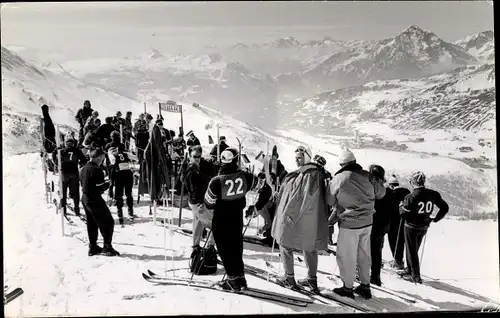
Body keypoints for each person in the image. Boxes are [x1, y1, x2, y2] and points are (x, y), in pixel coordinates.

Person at [328, 148, 386, 299]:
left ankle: (347, 288)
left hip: (350, 223)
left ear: (342, 163)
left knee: (347, 256)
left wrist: (339, 206)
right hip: (367, 222)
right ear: (354, 161)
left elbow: (329, 200)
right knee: (364, 255)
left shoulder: (339, 179)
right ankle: (365, 286)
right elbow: (381, 193)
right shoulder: (368, 176)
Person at [272, 145, 330, 292]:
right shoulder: (314, 173)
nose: (297, 161)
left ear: (307, 158)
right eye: (296, 158)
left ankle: (289, 278)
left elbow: (299, 198)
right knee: (309, 247)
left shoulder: (308, 175)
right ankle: (311, 279)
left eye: (300, 158)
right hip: (311, 218)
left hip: (297, 217)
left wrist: (288, 215)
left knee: (285, 243)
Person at [204, 147, 255, 291]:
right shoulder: (246, 176)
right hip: (237, 217)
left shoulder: (216, 181)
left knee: (225, 250)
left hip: (221, 219)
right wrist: (255, 207)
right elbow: (264, 188)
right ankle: (240, 279)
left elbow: (208, 202)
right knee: (236, 248)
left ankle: (232, 280)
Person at [399, 171, 449, 284]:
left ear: (413, 182)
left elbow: (403, 214)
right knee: (414, 248)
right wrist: (435, 219)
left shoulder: (410, 197)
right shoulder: (433, 194)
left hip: (411, 226)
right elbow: (445, 207)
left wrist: (401, 206)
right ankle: (410, 269)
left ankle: (415, 276)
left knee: (411, 250)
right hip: (424, 226)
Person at [79, 147, 120, 257]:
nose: (103, 160)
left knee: (92, 223)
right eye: (102, 157)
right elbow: (99, 187)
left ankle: (93, 247)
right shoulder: (97, 170)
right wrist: (108, 184)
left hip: (85, 198)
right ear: (100, 157)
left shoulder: (83, 168)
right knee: (108, 222)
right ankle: (107, 247)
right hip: (94, 199)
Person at [185, 147, 215, 250]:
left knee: (198, 221)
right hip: (198, 202)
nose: (197, 158)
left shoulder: (197, 168)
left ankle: (196, 245)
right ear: (190, 157)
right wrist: (199, 202)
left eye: (198, 156)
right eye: (194, 156)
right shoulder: (191, 171)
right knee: (214, 223)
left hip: (195, 201)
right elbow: (193, 188)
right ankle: (210, 246)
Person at [53, 137, 87, 217]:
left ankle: (63, 209)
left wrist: (55, 152)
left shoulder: (62, 151)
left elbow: (55, 161)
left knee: (63, 192)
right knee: (75, 193)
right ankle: (76, 209)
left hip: (64, 174)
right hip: (74, 174)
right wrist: (80, 164)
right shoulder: (77, 150)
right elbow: (84, 160)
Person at [368, 165, 390, 286]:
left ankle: (362, 274)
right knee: (377, 251)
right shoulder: (387, 191)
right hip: (383, 226)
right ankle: (375, 277)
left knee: (364, 249)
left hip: (371, 223)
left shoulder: (371, 189)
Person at [386, 175, 411, 270]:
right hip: (404, 220)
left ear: (391, 185)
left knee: (393, 240)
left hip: (393, 221)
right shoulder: (406, 192)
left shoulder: (391, 193)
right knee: (401, 241)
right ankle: (400, 260)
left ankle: (398, 261)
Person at [245, 172, 275, 247]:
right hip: (264, 207)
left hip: (267, 206)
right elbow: (260, 202)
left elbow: (262, 201)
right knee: (269, 222)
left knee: (269, 222)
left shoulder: (267, 187)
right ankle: (265, 234)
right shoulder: (265, 187)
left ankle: (267, 235)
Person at [109, 143, 135, 225]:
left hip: (119, 174)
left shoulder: (114, 155)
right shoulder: (127, 154)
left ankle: (120, 212)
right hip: (128, 173)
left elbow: (112, 162)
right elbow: (136, 158)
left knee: (119, 194)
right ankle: (130, 211)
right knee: (128, 193)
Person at [313, 154, 334, 245]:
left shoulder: (315, 173)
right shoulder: (327, 174)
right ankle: (328, 239)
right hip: (326, 200)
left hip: (318, 200)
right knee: (327, 219)